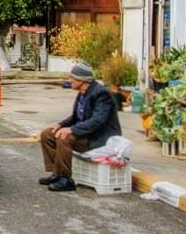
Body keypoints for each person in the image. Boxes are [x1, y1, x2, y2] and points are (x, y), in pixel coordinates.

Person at [39, 62, 123, 192]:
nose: (70, 80)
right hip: (86, 133)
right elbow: (75, 117)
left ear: (82, 80)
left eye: (72, 78)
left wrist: (71, 129)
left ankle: (66, 179)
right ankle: (56, 174)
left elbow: (97, 121)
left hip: (99, 138)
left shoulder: (101, 94)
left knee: (65, 138)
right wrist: (60, 124)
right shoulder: (82, 92)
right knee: (47, 134)